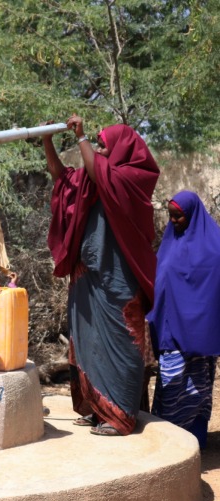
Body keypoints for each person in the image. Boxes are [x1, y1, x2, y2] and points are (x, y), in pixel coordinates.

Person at [43, 115, 159, 436]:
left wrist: (80, 138)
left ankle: (120, 414)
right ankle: (96, 409)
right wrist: (48, 141)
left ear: (122, 147)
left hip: (117, 281)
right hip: (87, 276)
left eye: (103, 143)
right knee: (86, 340)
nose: (99, 148)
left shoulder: (132, 178)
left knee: (119, 342)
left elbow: (102, 173)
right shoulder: (92, 180)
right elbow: (61, 177)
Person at [147, 191, 220, 448]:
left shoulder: (214, 247)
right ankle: (173, 443)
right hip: (171, 332)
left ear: (192, 214)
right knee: (171, 384)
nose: (175, 221)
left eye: (179, 216)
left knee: (198, 389)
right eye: (171, 217)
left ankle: (194, 440)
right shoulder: (170, 244)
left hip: (200, 334)